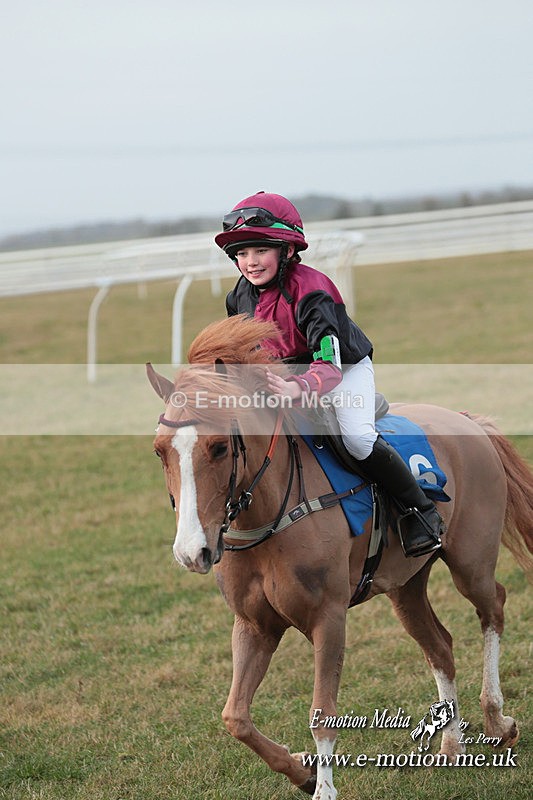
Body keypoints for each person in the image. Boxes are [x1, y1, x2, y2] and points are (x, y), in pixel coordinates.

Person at [214, 191, 443, 557]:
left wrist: (297, 388)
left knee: (356, 439)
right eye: (241, 254)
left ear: (287, 250)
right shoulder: (239, 296)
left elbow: (329, 365)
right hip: (284, 376)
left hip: (342, 369)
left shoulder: (313, 290)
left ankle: (422, 511)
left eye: (259, 251)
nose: (250, 263)